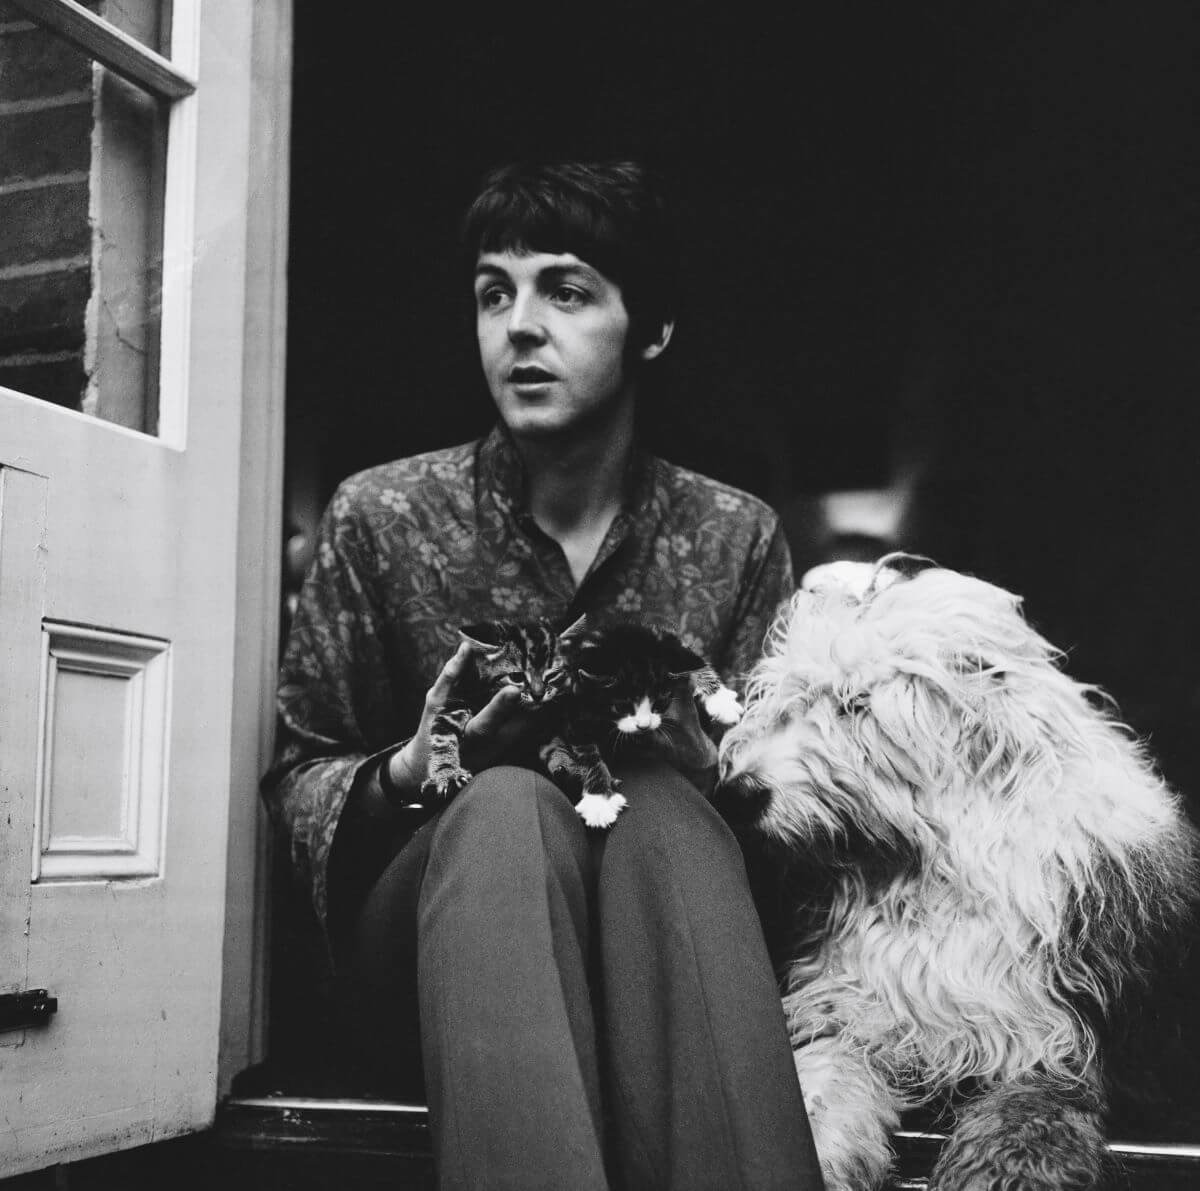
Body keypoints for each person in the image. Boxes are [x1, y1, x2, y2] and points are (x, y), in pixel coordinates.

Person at [262, 160, 824, 1190]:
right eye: (493, 293)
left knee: (665, 812)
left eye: (565, 290)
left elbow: (802, 830)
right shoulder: (382, 517)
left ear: (649, 330)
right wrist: (416, 767)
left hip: (665, 953)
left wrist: (718, 774)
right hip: (442, 956)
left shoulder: (733, 536)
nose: (519, 326)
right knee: (508, 802)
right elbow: (296, 781)